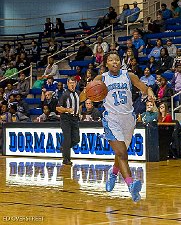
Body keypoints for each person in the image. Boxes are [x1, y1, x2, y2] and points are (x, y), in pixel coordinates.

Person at [86, 52, 155, 202]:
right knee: (122, 153)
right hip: (111, 119)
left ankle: (113, 173)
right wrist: (86, 95)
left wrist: (150, 92)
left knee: (121, 153)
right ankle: (131, 185)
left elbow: (143, 87)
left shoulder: (129, 76)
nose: (114, 62)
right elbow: (85, 94)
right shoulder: (101, 79)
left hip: (128, 119)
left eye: (117, 59)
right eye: (111, 60)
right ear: (106, 63)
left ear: (121, 62)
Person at [56, 77, 83, 165]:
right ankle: (66, 159)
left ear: (76, 84)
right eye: (70, 83)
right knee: (67, 139)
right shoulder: (65, 94)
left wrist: (79, 112)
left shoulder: (78, 93)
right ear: (67, 84)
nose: (72, 84)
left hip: (75, 118)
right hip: (66, 118)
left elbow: (80, 104)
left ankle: (64, 148)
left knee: (76, 139)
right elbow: (58, 108)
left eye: (74, 83)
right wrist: (67, 110)